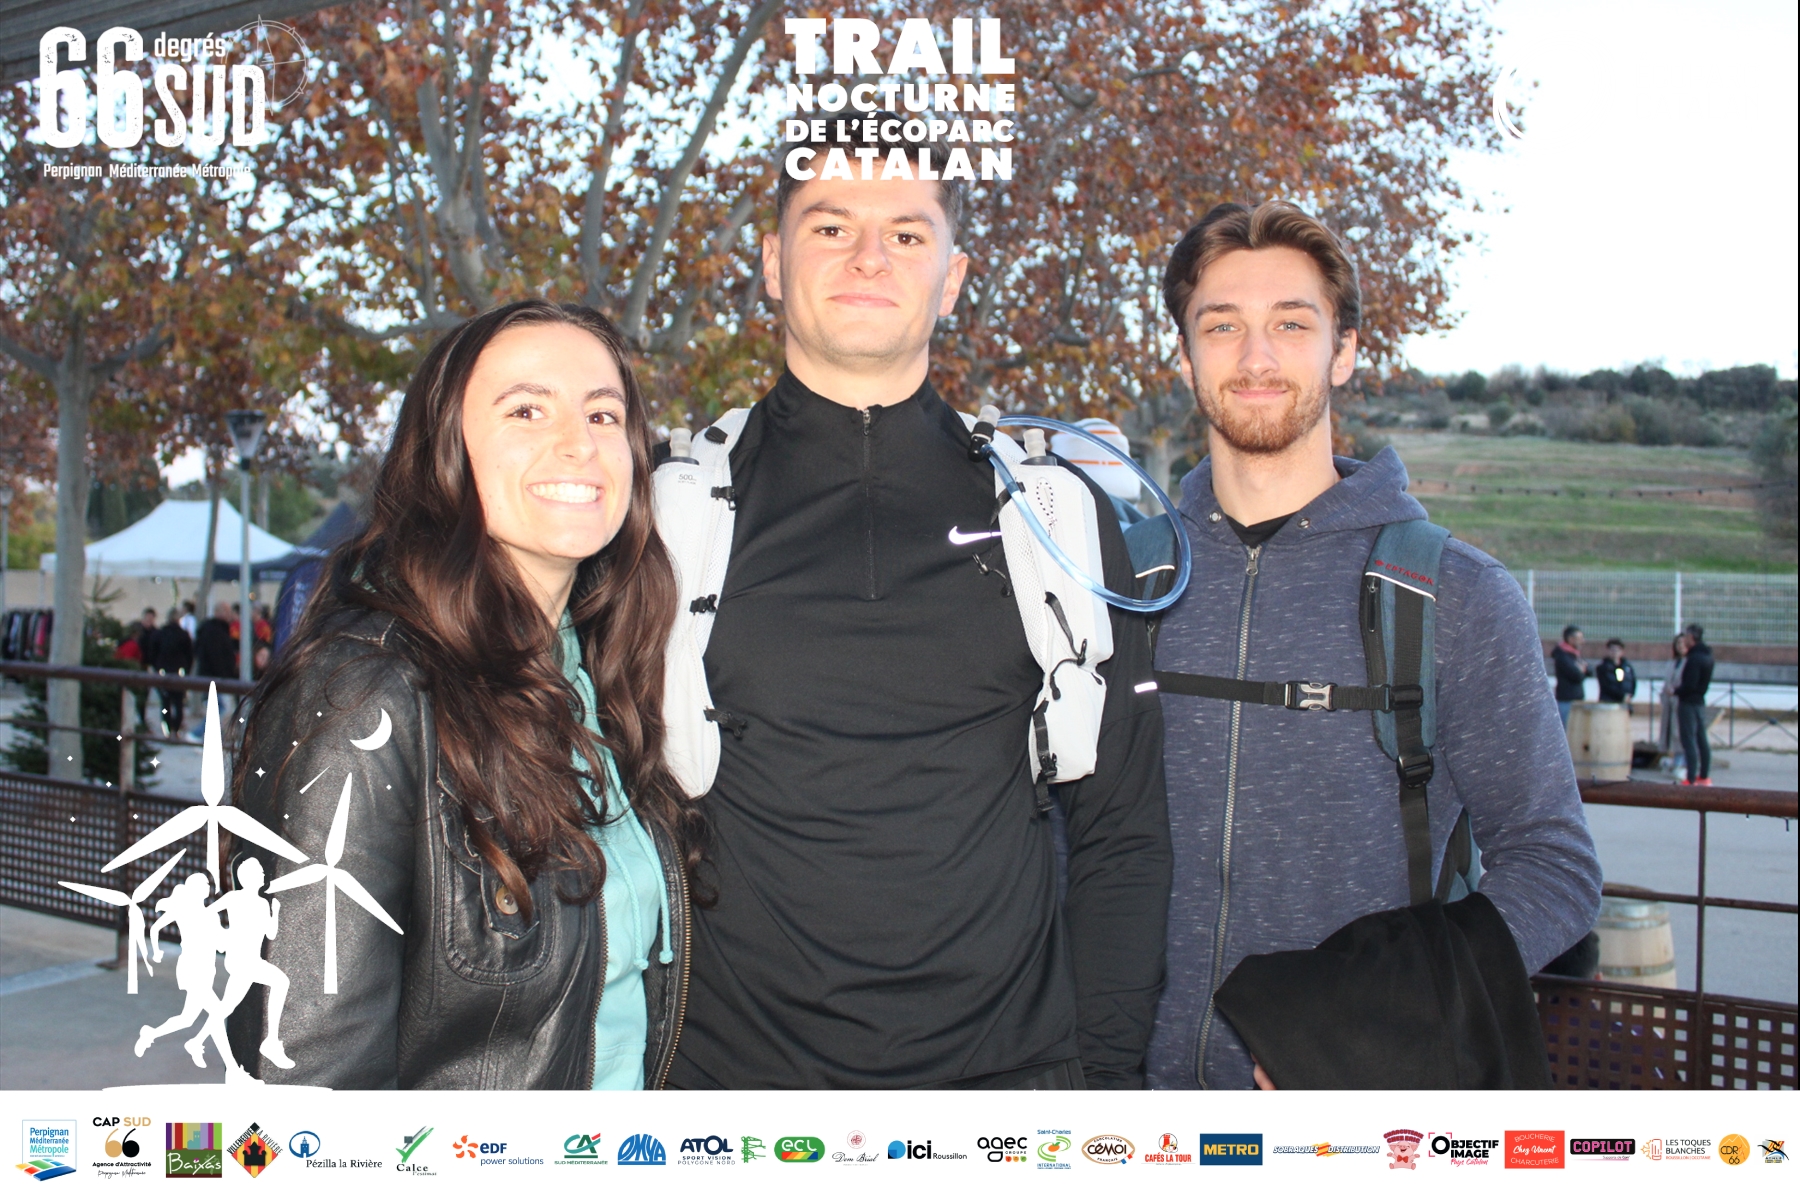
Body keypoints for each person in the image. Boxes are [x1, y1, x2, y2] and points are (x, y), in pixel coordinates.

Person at [661, 117, 1171, 1090]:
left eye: (906, 232)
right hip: (728, 1102)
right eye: (829, 226)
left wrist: (1101, 1086)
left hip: (1010, 1096)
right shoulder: (665, 518)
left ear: (953, 276)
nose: (869, 256)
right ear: (771, 263)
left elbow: (1124, 832)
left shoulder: (1056, 516)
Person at [1143, 200, 1600, 1089]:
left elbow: (1556, 870)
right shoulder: (1124, 583)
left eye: (1292, 324)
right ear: (1186, 357)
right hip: (1118, 1112)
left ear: (1344, 351)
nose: (1257, 357)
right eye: (1222, 325)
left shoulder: (1456, 595)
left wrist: (1374, 1024)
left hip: (1349, 1121)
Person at [225, 300, 697, 1089]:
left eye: (603, 414)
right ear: (446, 450)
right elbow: (304, 1079)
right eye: (526, 410)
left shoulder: (596, 673)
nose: (579, 443)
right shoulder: (363, 692)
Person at [1676, 622, 1715, 785]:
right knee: (1701, 739)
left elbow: (1689, 685)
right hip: (1700, 702)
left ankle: (1691, 777)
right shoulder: (1707, 656)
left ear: (1691, 637)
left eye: (1685, 636)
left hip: (1688, 703)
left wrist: (1676, 691)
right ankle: (1704, 776)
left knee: (1689, 740)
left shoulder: (1694, 658)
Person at [151, 607, 194, 736]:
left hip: (163, 671)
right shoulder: (183, 635)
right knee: (178, 702)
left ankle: (167, 727)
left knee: (165, 702)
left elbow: (153, 653)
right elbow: (189, 655)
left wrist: (157, 667)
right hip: (179, 671)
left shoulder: (160, 634)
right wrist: (186, 670)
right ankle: (177, 728)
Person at [1551, 625, 1591, 725]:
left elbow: (1589, 670)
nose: (1582, 641)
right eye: (1579, 638)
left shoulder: (1575, 654)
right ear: (1571, 639)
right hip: (1566, 700)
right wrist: (1582, 670)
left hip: (1577, 699)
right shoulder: (1562, 656)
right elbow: (1576, 675)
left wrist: (1582, 670)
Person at [1659, 632, 1689, 762]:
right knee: (1668, 730)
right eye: (1678, 643)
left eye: (1683, 643)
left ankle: (1681, 759)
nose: (1680, 646)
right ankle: (1670, 755)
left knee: (1679, 731)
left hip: (1681, 701)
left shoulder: (1689, 662)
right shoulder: (1672, 663)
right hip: (1669, 701)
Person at [1596, 638, 1637, 706]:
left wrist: (1629, 695)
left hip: (1625, 703)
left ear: (1622, 651)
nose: (1615, 652)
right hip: (1608, 703)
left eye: (1617, 650)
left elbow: (1633, 683)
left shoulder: (1627, 668)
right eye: (1612, 650)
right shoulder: (1602, 668)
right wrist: (1621, 696)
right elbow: (1606, 686)